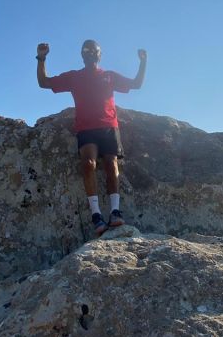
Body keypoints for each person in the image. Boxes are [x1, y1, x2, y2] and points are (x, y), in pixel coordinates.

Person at [36, 39, 147, 235]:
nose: (90, 54)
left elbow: (136, 84)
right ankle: (96, 214)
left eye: (94, 51)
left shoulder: (109, 76)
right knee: (88, 163)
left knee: (111, 164)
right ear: (82, 55)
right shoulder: (74, 77)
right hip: (86, 129)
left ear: (99, 55)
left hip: (108, 127)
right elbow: (44, 83)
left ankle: (115, 211)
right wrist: (41, 58)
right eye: (87, 51)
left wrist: (143, 62)